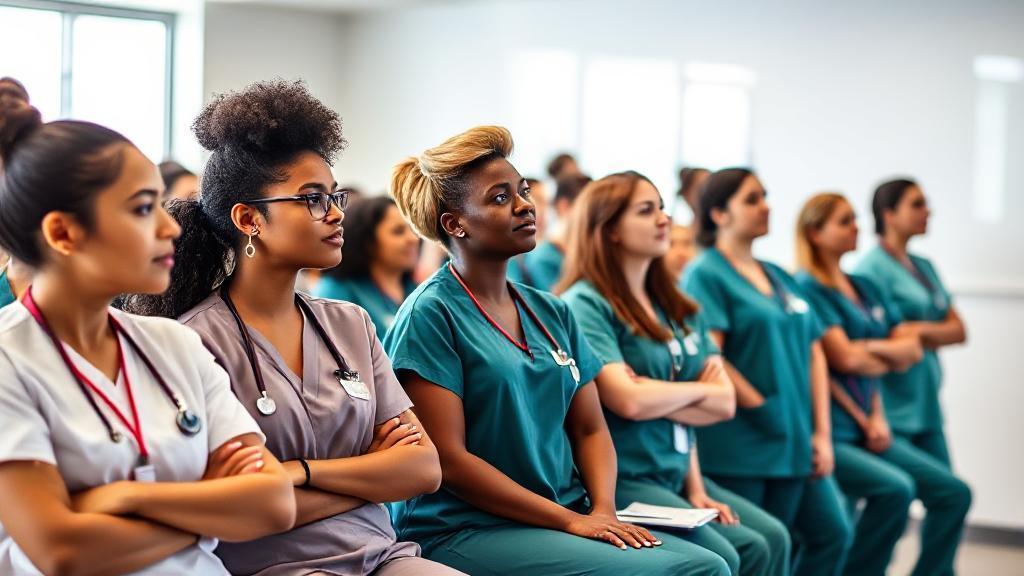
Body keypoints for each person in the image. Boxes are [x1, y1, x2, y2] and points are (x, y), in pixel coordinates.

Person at [122, 80, 460, 576]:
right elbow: (240, 514)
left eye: (334, 195)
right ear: (249, 219)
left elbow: (423, 469)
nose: (336, 213)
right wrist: (370, 474)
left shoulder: (349, 324)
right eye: (312, 199)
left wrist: (298, 473)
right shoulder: (195, 341)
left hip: (383, 556)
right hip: (276, 567)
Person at [384, 125, 732, 576]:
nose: (525, 205)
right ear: (455, 224)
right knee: (689, 572)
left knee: (713, 561)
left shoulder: (551, 311)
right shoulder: (431, 315)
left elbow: (589, 428)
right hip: (467, 527)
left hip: (563, 511)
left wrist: (603, 509)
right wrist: (572, 521)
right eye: (499, 197)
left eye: (523, 191)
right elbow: (449, 461)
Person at [0, 80, 294, 575]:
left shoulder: (174, 343)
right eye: (142, 208)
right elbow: (62, 551)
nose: (170, 227)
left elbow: (273, 504)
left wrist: (122, 497)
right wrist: (210, 503)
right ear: (63, 232)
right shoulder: (10, 360)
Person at [558, 171, 793, 576]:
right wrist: (693, 390)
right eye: (647, 211)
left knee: (773, 537)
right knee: (735, 555)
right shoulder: (585, 303)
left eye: (663, 208)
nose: (664, 219)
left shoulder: (674, 304)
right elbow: (626, 400)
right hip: (626, 477)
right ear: (610, 228)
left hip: (677, 472)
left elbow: (723, 402)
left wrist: (696, 485)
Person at [683, 168, 852, 576]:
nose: (766, 206)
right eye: (752, 199)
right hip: (744, 442)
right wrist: (761, 406)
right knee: (766, 551)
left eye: (766, 196)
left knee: (832, 532)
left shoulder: (778, 276)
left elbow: (815, 353)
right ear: (719, 214)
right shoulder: (706, 274)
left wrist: (822, 433)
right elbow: (714, 358)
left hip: (794, 436)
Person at [795, 191, 972, 576]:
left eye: (855, 218)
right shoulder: (808, 286)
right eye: (845, 221)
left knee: (949, 492)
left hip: (881, 416)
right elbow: (842, 359)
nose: (857, 226)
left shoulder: (865, 284)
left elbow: (909, 349)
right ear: (814, 232)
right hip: (844, 426)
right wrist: (881, 350)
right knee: (884, 497)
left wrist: (874, 353)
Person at [316, 196, 421, 334]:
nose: (414, 238)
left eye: (412, 229)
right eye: (398, 231)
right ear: (367, 242)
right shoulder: (336, 291)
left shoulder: (416, 289)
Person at [510, 174, 591, 291]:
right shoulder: (542, 256)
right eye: (538, 200)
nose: (543, 209)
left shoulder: (554, 248)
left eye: (546, 203)